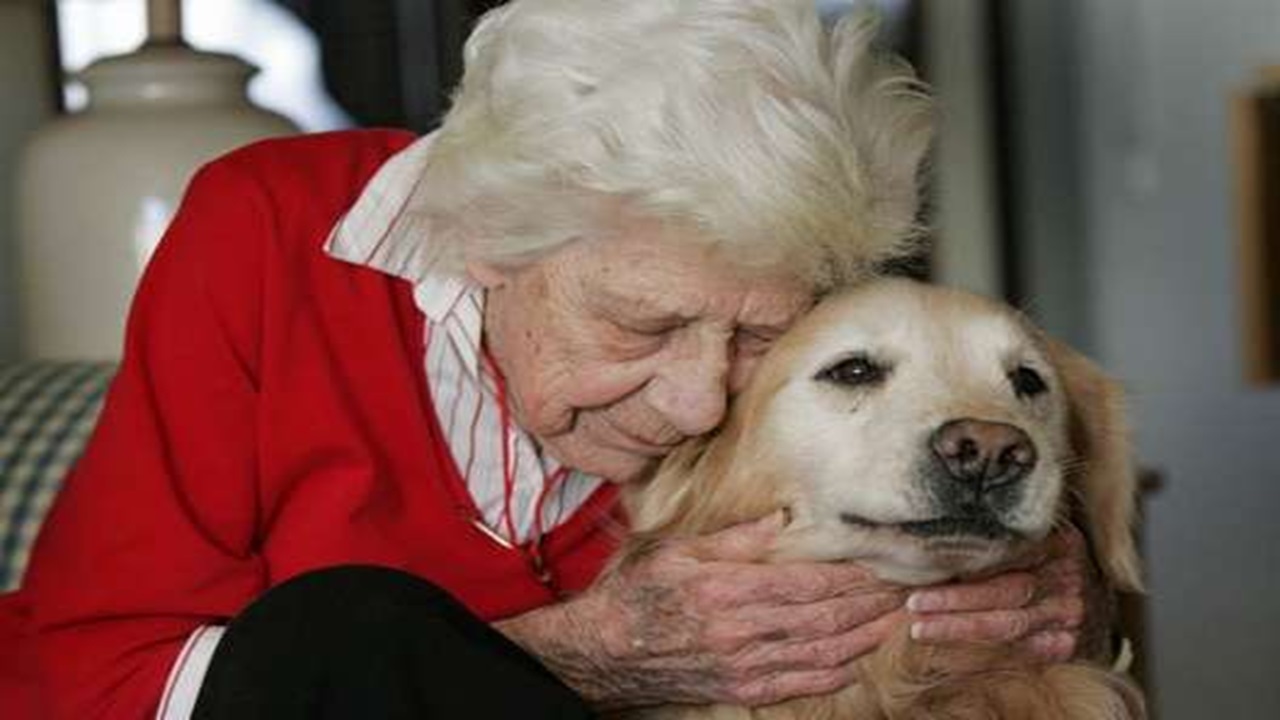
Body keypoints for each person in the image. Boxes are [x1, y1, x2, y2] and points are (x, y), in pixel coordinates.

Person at [1, 1, 1113, 718]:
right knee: (339, 622)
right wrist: (572, 657)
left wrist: (1025, 580)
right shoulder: (263, 236)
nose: (694, 401)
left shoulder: (770, 266)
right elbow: (87, 677)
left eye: (762, 338)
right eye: (639, 325)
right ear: (483, 238)